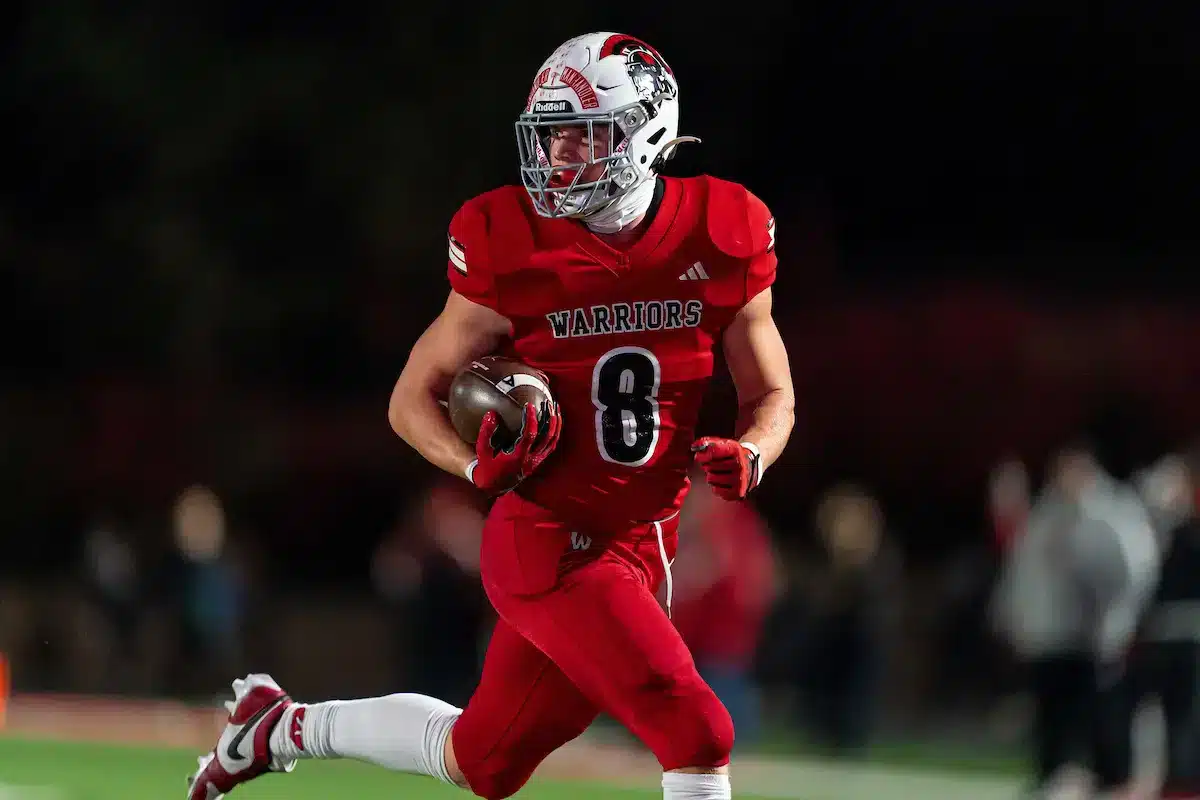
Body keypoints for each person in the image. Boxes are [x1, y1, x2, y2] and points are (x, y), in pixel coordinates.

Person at [188, 31, 794, 800]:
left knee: (484, 761)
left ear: (649, 132)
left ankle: (276, 727)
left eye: (586, 134)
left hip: (650, 544)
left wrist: (755, 452)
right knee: (697, 730)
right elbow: (413, 398)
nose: (562, 156)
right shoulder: (510, 240)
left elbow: (771, 393)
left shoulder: (724, 230)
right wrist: (473, 465)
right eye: (551, 135)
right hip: (550, 545)